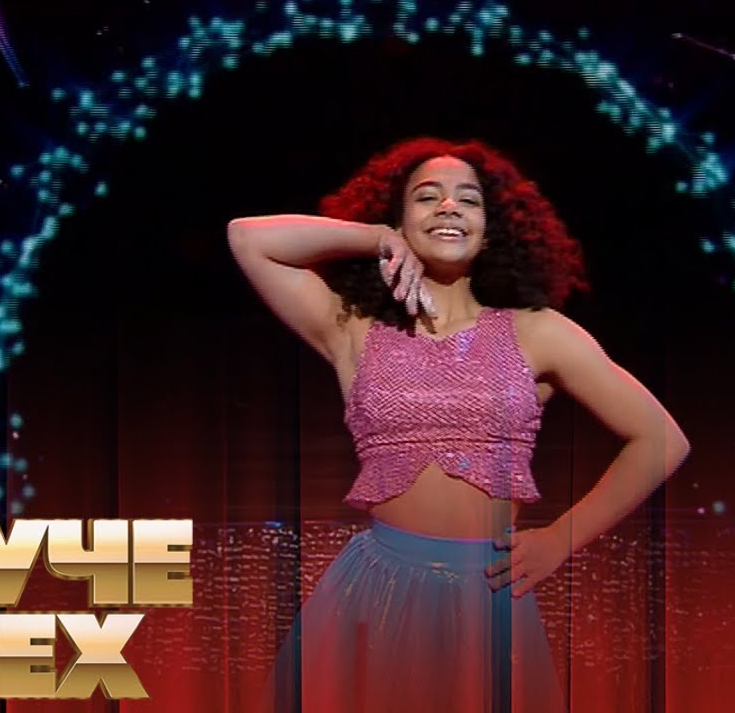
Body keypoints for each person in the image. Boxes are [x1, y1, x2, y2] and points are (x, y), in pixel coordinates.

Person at [228, 137, 690, 713]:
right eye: (427, 197)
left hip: (487, 595)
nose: (448, 206)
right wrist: (375, 237)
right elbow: (248, 238)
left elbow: (661, 440)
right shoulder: (353, 328)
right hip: (375, 588)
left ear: (491, 230)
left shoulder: (538, 332)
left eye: (468, 200)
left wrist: (561, 539)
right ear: (400, 221)